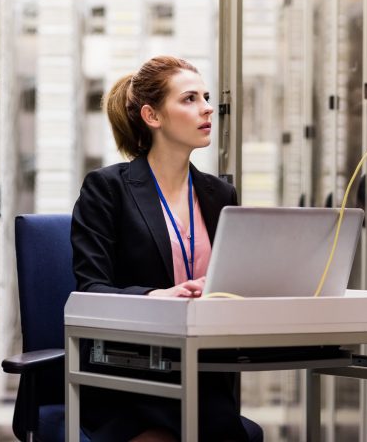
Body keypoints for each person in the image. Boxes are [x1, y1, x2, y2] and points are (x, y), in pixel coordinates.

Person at [71, 56, 255, 442]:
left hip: (201, 370)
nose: (207, 108)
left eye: (205, 97)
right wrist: (158, 296)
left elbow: (230, 279)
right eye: (189, 99)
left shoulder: (219, 194)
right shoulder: (108, 188)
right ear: (152, 116)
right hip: (128, 372)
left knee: (212, 423)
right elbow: (90, 289)